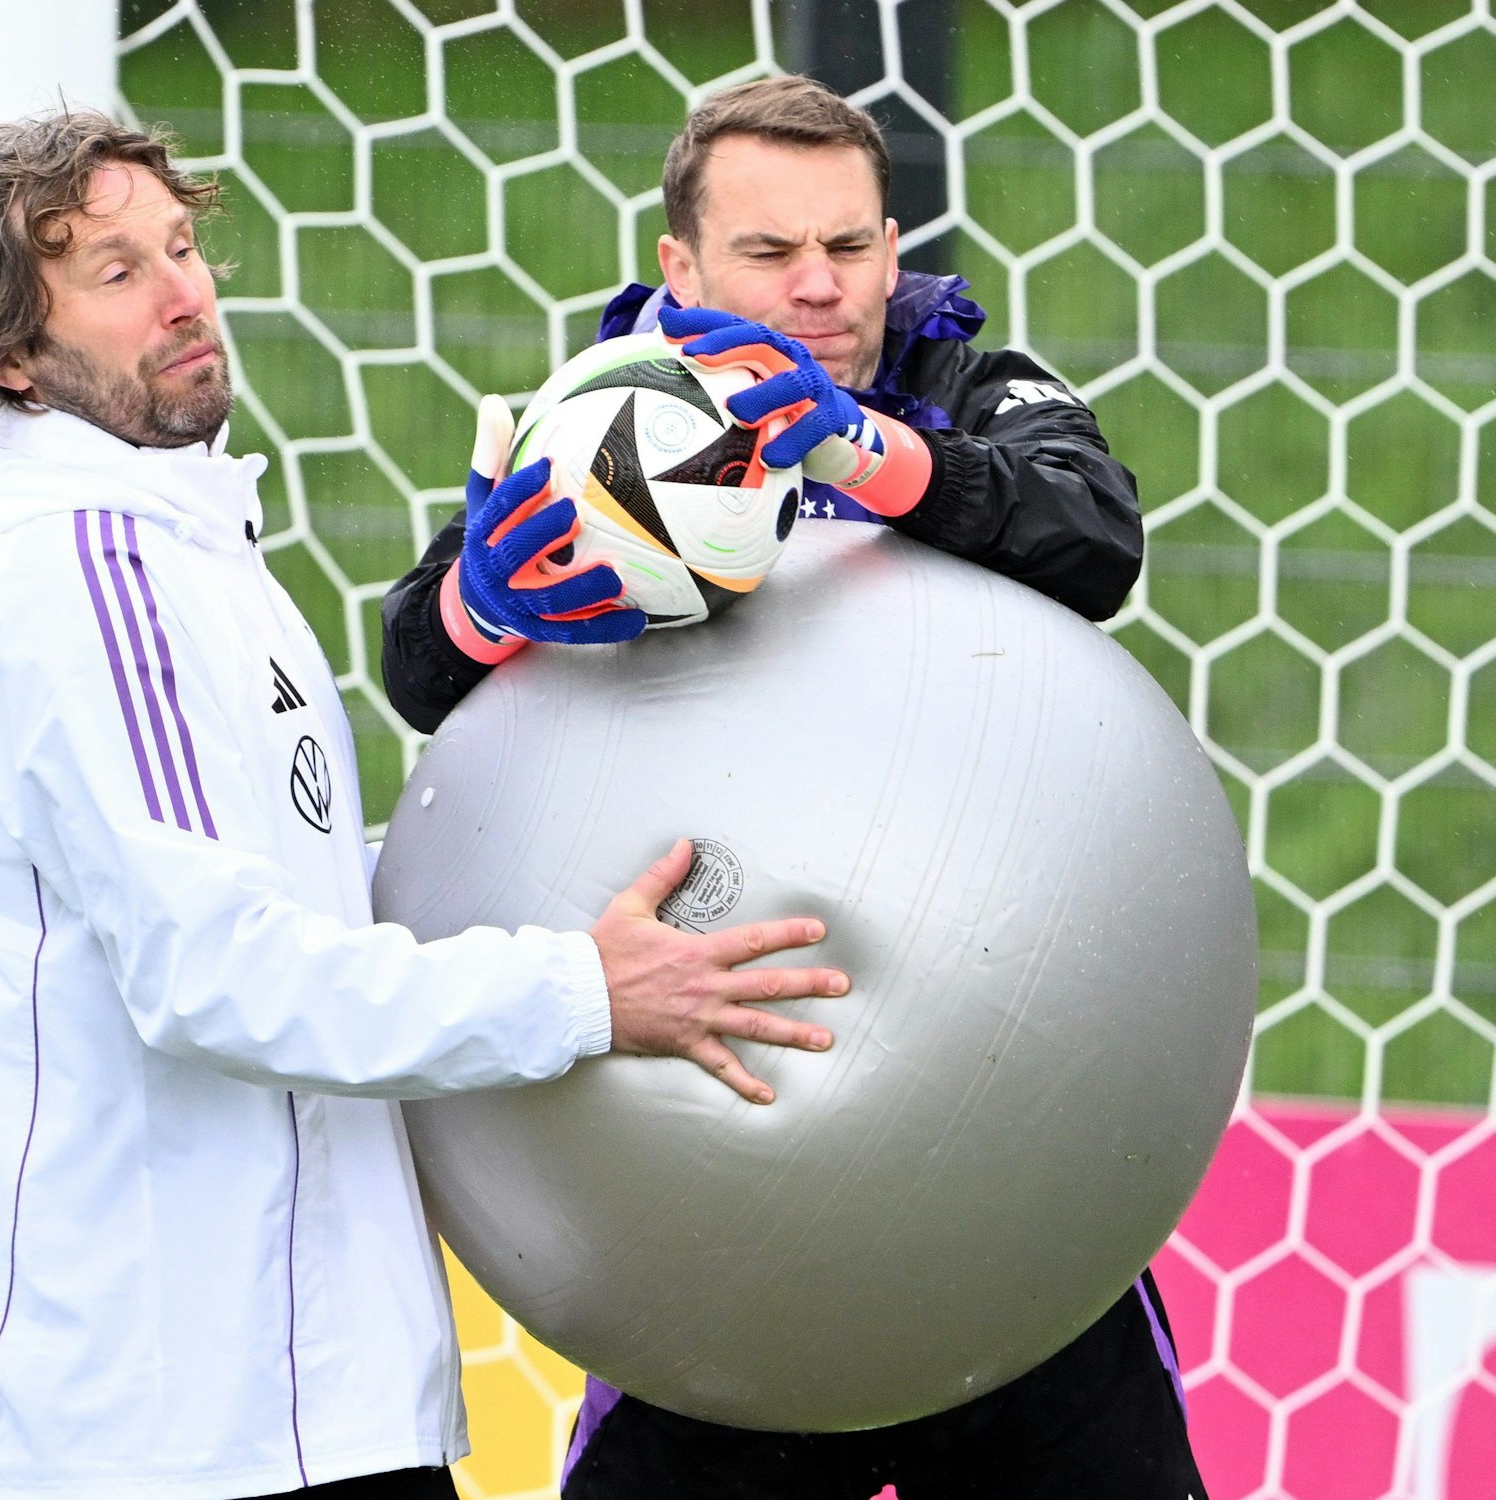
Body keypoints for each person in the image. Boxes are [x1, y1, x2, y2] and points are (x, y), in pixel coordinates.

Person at [0, 111, 851, 1500]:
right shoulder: (78, 581)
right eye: (113, 272)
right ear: (13, 354)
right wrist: (582, 989)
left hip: (309, 1407)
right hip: (160, 1435)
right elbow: (212, 976)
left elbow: (309, 898)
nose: (182, 292)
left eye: (180, 246)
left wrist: (568, 860)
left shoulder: (198, 553)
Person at [379, 77, 1202, 1500]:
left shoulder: (963, 384)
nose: (822, 287)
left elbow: (1095, 535)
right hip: (709, 1211)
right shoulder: (596, 433)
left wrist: (862, 453)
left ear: (895, 246)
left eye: (852, 245)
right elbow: (424, 675)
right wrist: (479, 605)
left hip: (1010, 1181)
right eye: (770, 254)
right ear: (679, 271)